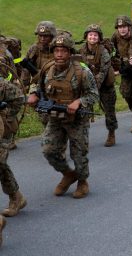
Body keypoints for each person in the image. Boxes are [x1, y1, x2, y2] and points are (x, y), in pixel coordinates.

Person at [27, 34, 99, 198]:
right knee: (48, 150)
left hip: (77, 120)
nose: (59, 54)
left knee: (78, 154)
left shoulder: (82, 72)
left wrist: (79, 102)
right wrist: (34, 94)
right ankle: (68, 174)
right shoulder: (48, 68)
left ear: (70, 53)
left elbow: (94, 95)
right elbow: (36, 84)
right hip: (55, 117)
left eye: (63, 51)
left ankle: (82, 182)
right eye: (56, 51)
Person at [79, 24, 117, 147]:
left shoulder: (103, 51)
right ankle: (82, 137)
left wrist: (95, 86)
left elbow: (103, 71)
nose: (93, 37)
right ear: (86, 36)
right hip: (87, 85)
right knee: (82, 111)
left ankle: (111, 133)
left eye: (95, 35)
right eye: (90, 35)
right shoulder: (81, 50)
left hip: (105, 85)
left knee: (109, 111)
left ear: (99, 38)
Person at [0, 76, 27, 218]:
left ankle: (15, 199)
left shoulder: (2, 85)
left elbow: (19, 98)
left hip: (3, 129)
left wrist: (6, 114)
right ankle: (17, 197)